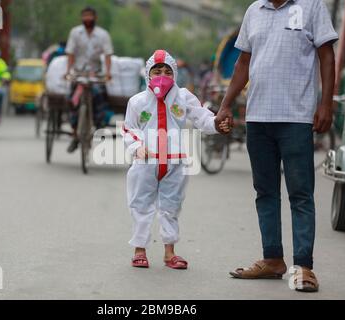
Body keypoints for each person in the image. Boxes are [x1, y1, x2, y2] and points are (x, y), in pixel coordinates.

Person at [215, 0, 338, 292]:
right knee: (265, 192)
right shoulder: (254, 11)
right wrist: (225, 104)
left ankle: (304, 267)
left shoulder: (311, 7)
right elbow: (243, 62)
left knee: (300, 193)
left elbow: (327, 56)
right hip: (258, 119)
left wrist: (326, 104)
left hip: (295, 118)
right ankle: (272, 259)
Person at [122, 50, 229, 269]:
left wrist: (216, 124)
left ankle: (170, 252)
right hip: (146, 162)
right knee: (141, 204)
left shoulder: (183, 97)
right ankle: (139, 249)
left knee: (171, 206)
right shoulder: (137, 101)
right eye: (157, 71)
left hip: (175, 161)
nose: (162, 75)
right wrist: (137, 147)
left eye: (167, 71)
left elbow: (201, 116)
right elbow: (128, 128)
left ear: (175, 74)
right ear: (148, 74)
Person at [65, 6, 114, 153]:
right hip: (79, 73)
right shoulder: (75, 32)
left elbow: (107, 55)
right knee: (71, 99)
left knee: (100, 95)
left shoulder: (103, 35)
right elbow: (70, 53)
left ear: (95, 18)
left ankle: (98, 126)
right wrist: (68, 72)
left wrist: (108, 73)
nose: (87, 19)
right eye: (84, 16)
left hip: (96, 73)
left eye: (90, 16)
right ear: (82, 18)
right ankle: (75, 132)